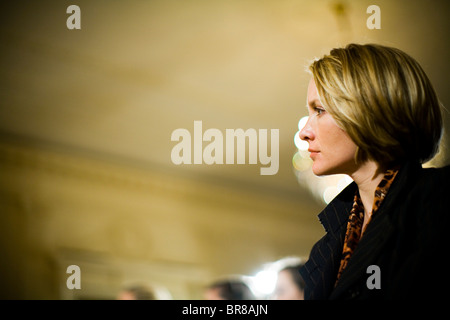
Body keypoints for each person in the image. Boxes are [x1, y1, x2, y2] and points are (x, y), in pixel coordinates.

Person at [298, 43, 449, 299]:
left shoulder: (439, 200)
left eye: (320, 110)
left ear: (370, 109)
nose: (304, 133)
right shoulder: (325, 248)